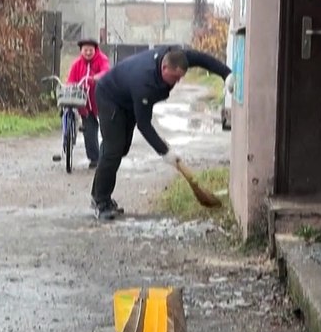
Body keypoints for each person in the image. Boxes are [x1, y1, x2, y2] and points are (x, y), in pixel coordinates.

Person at [90, 45, 231, 221]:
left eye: (181, 77)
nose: (177, 81)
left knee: (120, 149)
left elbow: (202, 58)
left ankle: (99, 194)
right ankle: (101, 201)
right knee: (113, 150)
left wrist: (227, 74)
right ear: (164, 68)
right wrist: (165, 151)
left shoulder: (178, 56)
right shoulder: (145, 81)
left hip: (128, 99)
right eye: (174, 77)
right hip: (110, 97)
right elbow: (144, 124)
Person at [66, 38, 111, 169]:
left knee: (107, 129)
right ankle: (95, 158)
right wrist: (71, 86)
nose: (88, 52)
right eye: (85, 50)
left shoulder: (102, 59)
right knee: (89, 130)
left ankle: (109, 155)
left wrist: (96, 77)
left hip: (101, 99)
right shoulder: (77, 64)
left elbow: (106, 71)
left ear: (95, 50)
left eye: (90, 50)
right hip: (85, 102)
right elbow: (71, 80)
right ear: (81, 51)